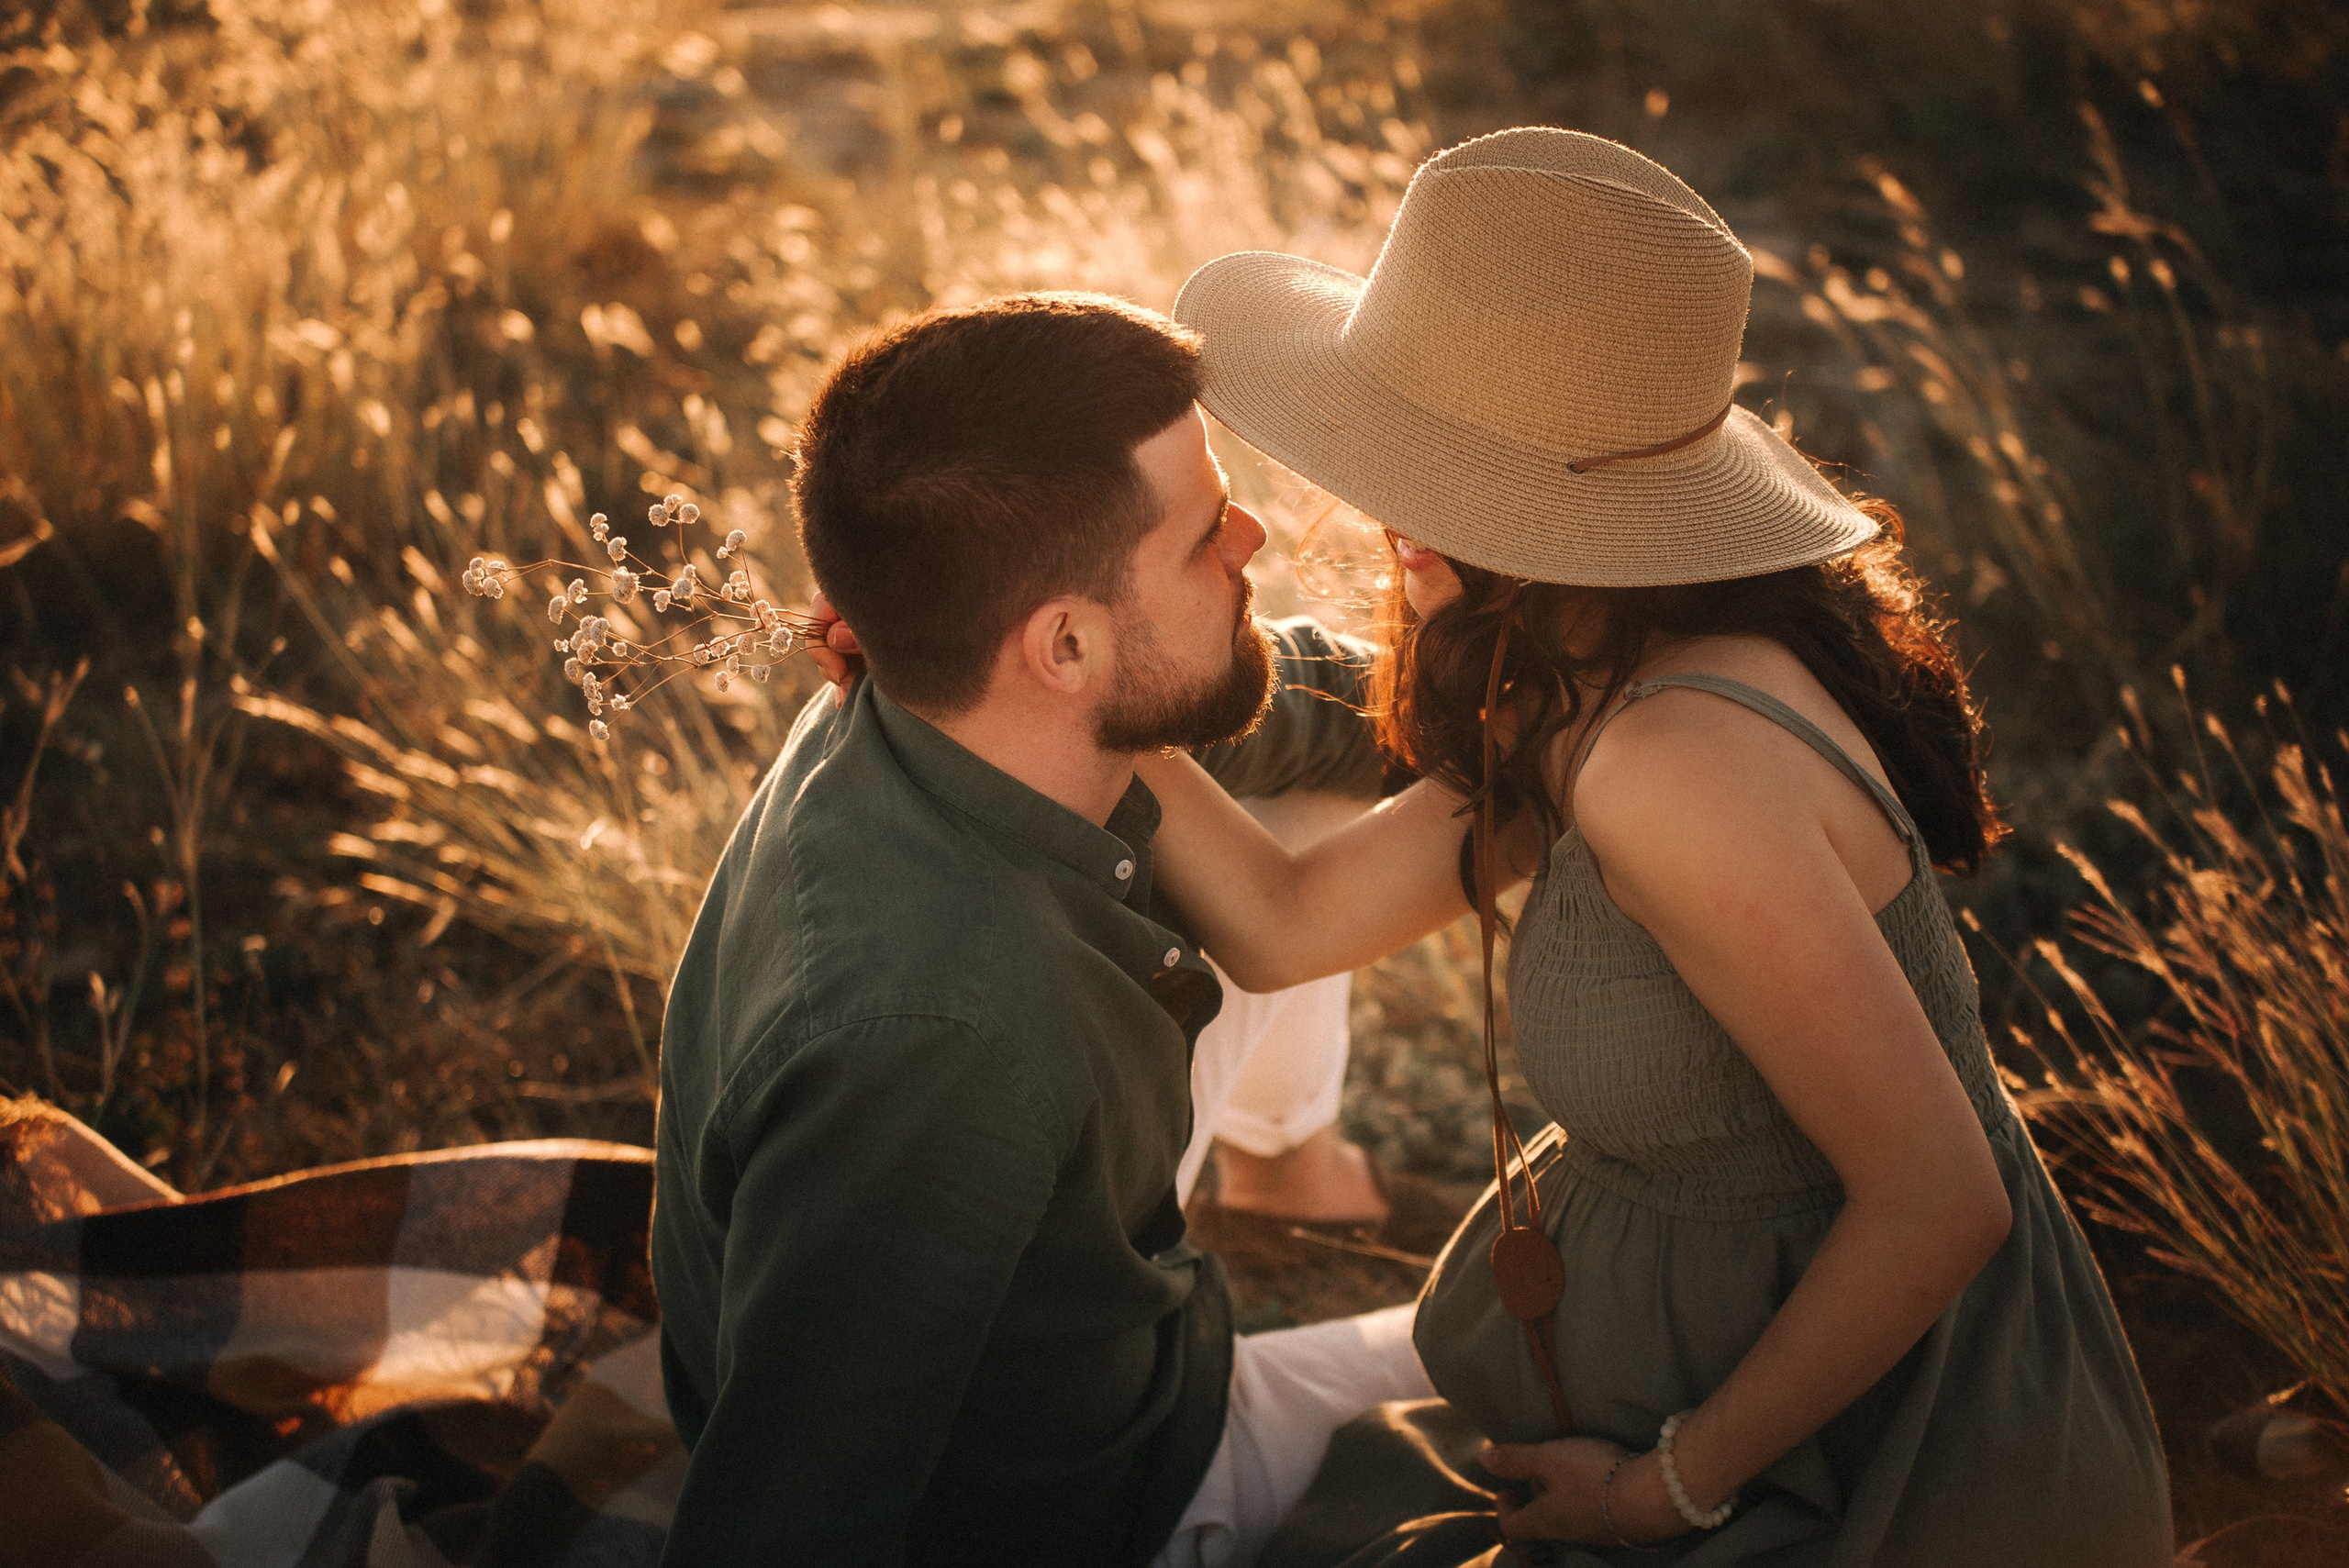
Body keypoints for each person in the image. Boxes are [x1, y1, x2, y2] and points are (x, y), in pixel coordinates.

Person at [1130, 128, 2174, 1563]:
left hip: (1859, 1462)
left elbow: (1941, 1202)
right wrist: (1043, 685)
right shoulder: (1576, 660)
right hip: (1695, 1400)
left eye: (1438, 465)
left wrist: (1658, 1492)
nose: (1385, 508)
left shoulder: (1672, 765)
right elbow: (1293, 916)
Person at [649, 292, 1438, 1568]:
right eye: (1202, 537)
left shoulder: (946, 682)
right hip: (1112, 1493)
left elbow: (1266, 692)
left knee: (1295, 801)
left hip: (1061, 1233)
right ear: (1065, 643)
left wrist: (1479, 708)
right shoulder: (938, 1045)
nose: (1252, 535)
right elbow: (785, 1525)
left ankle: (1297, 1180)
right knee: (1564, 1375)